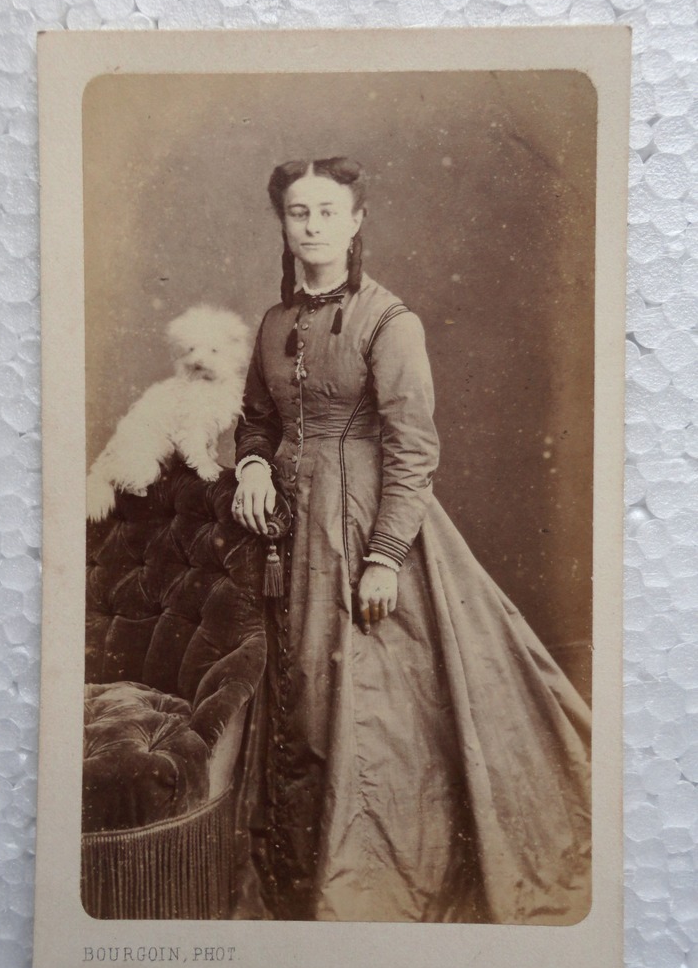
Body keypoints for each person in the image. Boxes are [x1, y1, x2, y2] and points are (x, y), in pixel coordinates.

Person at [231, 156, 591, 925]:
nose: (313, 225)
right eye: (298, 212)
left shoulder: (389, 322)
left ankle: (370, 875)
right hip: (290, 538)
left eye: (328, 211)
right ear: (283, 223)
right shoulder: (272, 323)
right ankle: (297, 860)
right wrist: (253, 466)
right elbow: (256, 417)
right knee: (303, 693)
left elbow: (413, 449)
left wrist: (385, 556)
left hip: (365, 528)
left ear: (356, 222)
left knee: (377, 708)